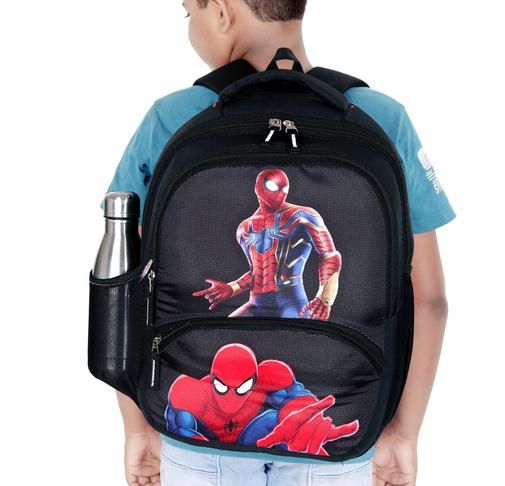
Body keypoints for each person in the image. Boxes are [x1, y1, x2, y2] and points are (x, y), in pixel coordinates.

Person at [101, 1, 456, 485]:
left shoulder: (172, 117)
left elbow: (120, 292)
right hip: (339, 444)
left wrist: (138, 426)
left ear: (221, 11)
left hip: (199, 450)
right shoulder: (382, 117)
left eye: (189, 13)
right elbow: (431, 301)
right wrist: (404, 433)